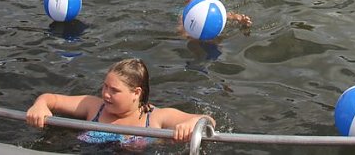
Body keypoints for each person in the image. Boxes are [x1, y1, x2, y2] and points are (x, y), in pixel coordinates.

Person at [26, 58, 215, 145]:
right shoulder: (93, 106)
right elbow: (51, 99)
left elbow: (208, 121)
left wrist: (192, 124)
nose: (106, 94)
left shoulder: (156, 118)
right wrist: (40, 105)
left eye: (114, 90)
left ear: (136, 93)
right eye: (105, 86)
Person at [182, 0, 252, 28]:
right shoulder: (185, 14)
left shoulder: (209, 8)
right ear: (187, 1)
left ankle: (242, 20)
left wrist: (236, 17)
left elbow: (223, 15)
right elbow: (181, 26)